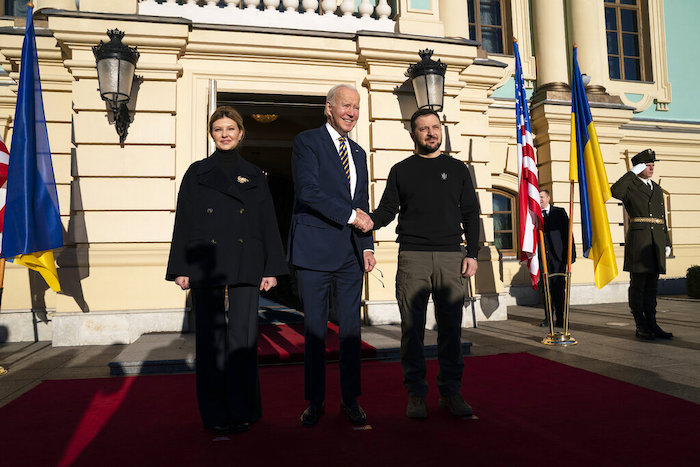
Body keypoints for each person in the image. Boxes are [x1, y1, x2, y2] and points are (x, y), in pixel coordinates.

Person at [166, 106, 287, 434]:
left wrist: (272, 268)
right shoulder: (197, 173)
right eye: (218, 128)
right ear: (212, 133)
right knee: (209, 342)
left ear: (241, 132)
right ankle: (215, 413)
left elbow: (267, 224)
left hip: (247, 262)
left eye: (230, 128)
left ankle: (244, 408)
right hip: (206, 262)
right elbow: (184, 222)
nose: (225, 134)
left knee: (244, 341)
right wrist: (181, 267)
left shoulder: (255, 174)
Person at [364, 108, 479, 419]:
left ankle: (451, 392)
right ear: (412, 133)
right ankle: (416, 393)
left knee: (451, 329)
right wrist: (369, 221)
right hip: (412, 257)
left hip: (451, 257)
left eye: (435, 127)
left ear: (440, 129)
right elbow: (387, 209)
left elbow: (471, 213)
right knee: (412, 330)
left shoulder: (458, 170)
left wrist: (473, 254)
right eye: (423, 128)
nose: (430, 132)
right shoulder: (401, 170)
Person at [287, 84, 375, 427]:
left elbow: (362, 203)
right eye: (345, 106)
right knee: (315, 332)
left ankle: (351, 400)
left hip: (351, 256)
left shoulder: (360, 153)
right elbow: (308, 191)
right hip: (314, 253)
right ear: (329, 107)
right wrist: (352, 217)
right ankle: (316, 401)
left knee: (351, 332)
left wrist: (367, 245)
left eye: (355, 107)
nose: (351, 113)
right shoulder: (307, 142)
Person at [611, 148, 672, 340]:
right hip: (639, 241)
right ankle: (640, 325)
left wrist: (667, 242)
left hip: (655, 243)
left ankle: (652, 323)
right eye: (647, 165)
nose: (652, 167)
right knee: (638, 285)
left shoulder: (657, 188)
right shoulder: (630, 186)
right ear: (638, 167)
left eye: (653, 164)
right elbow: (614, 192)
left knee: (652, 286)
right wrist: (631, 173)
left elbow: (662, 218)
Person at [538, 189, 575, 328]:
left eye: (542, 197)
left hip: (558, 258)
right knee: (546, 289)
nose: (540, 199)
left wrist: (571, 256)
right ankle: (548, 318)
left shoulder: (559, 212)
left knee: (559, 289)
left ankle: (560, 318)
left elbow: (568, 234)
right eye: (538, 197)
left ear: (548, 198)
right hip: (543, 258)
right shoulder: (534, 214)